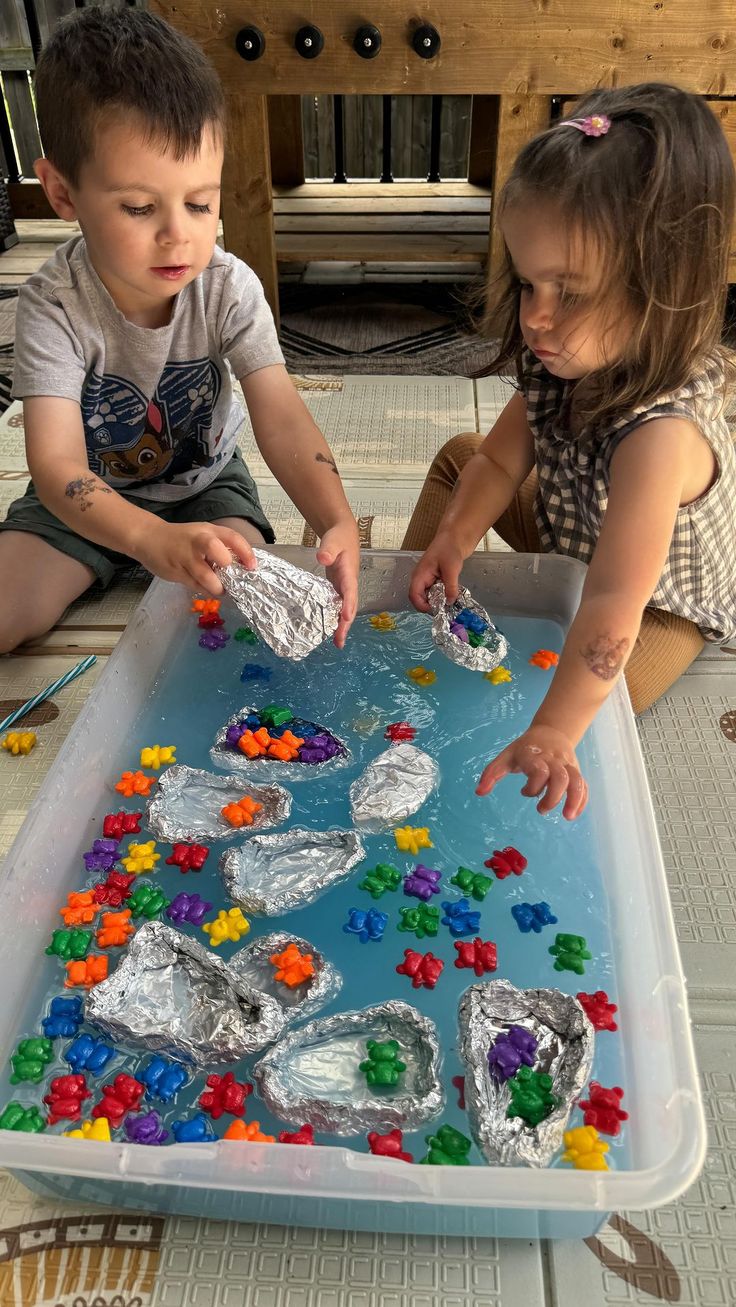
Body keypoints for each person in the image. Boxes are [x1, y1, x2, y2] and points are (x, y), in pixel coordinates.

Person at [404, 84, 736, 819]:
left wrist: (555, 729)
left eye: (571, 292)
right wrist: (453, 538)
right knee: (463, 455)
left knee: (597, 699)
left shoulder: (660, 438)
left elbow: (613, 606)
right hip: (571, 525)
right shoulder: (559, 356)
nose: (537, 316)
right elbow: (493, 463)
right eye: (527, 283)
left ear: (661, 286)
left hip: (656, 605)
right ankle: (411, 598)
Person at [0, 7, 359, 653]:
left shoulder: (227, 286)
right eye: (139, 207)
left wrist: (336, 520)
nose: (179, 233)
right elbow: (56, 467)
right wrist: (144, 537)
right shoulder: (51, 306)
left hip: (205, 485)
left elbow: (280, 416)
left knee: (244, 619)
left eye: (200, 202)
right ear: (60, 192)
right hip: (87, 497)